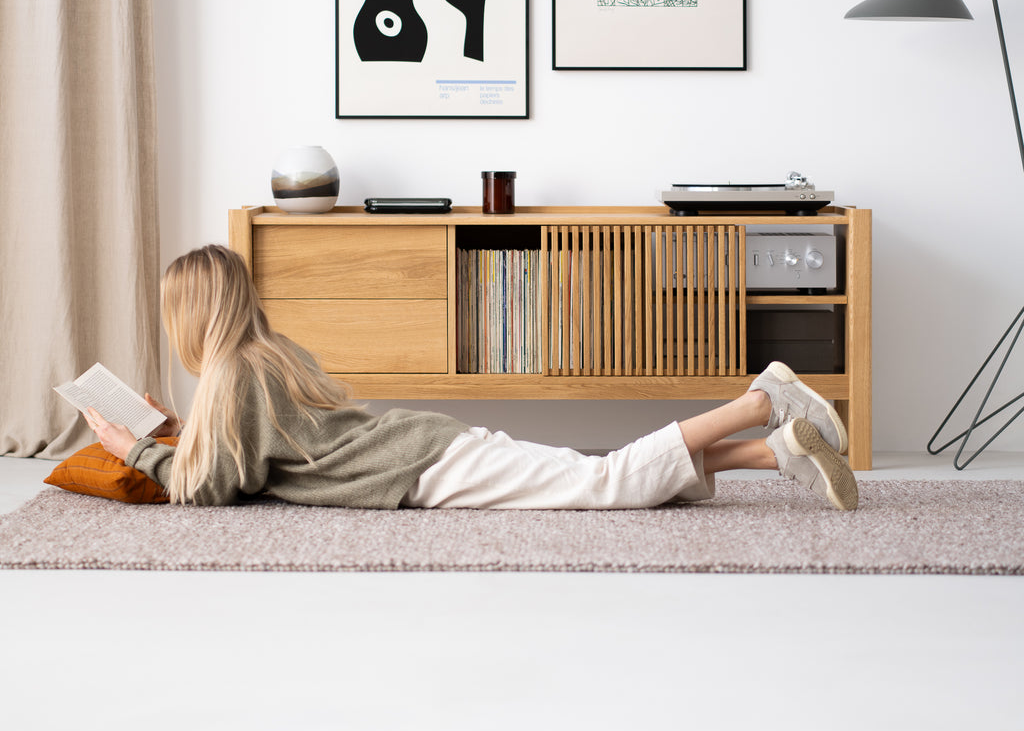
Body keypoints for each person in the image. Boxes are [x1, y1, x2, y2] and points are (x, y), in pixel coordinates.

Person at [85, 244, 858, 513]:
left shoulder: (233, 375)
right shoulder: (264, 354)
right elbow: (246, 455)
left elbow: (208, 488)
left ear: (190, 315)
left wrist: (134, 450)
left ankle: (761, 399)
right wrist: (173, 430)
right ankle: (777, 450)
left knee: (604, 483)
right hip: (423, 448)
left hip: (423, 468)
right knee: (597, 478)